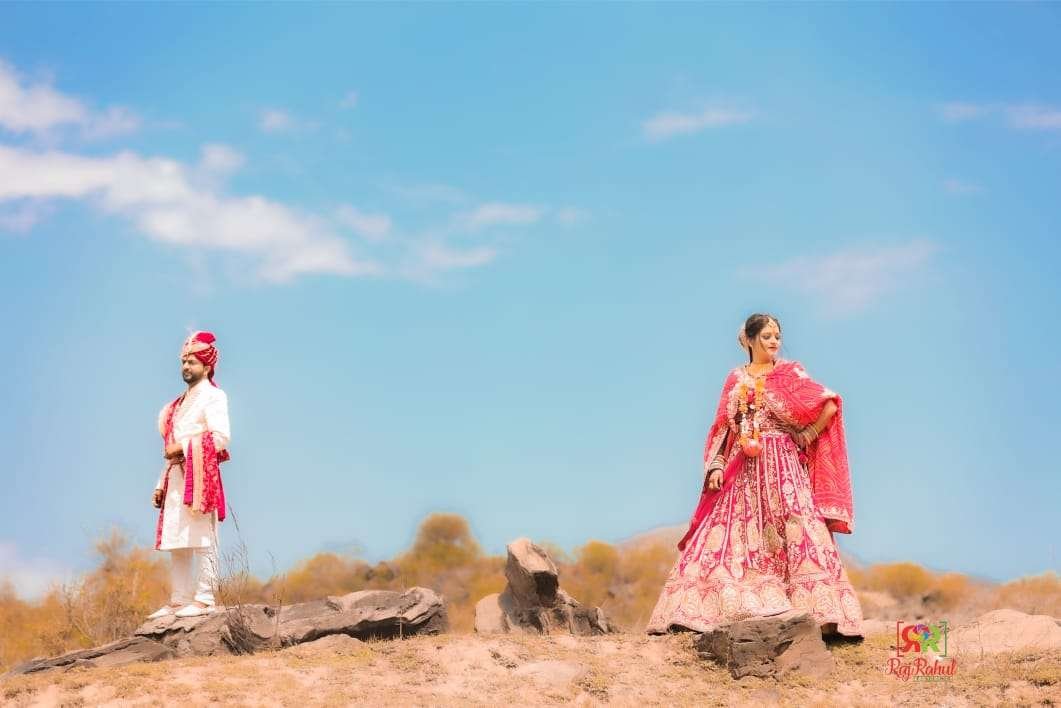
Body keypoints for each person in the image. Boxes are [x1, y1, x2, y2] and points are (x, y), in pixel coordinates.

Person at [647, 314, 863, 637]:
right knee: (729, 534)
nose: (774, 342)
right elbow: (723, 428)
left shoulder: (790, 373)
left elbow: (830, 403)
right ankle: (709, 606)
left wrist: (807, 434)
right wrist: (717, 465)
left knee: (796, 528)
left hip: (783, 469)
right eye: (766, 336)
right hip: (742, 470)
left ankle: (819, 612)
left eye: (777, 336)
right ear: (749, 340)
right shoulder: (735, 379)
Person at [146, 331, 231, 620]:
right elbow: (169, 449)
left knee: (203, 539)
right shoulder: (177, 404)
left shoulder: (214, 396)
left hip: (201, 475)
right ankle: (178, 600)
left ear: (206, 367)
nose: (186, 367)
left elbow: (220, 438)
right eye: (183, 361)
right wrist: (160, 483)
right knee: (177, 540)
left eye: (192, 362)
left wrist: (182, 447)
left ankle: (205, 599)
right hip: (175, 478)